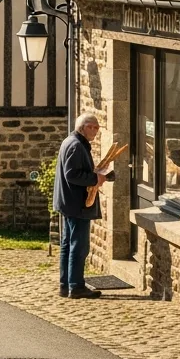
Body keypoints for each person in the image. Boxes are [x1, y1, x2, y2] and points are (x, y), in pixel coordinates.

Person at [52, 113, 112, 299]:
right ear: (83, 127)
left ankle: (66, 285)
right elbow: (72, 174)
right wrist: (95, 178)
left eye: (97, 127)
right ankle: (76, 286)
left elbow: (76, 171)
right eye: (92, 127)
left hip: (69, 202)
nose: (95, 130)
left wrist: (104, 175)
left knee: (68, 244)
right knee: (79, 246)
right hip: (77, 203)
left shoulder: (71, 142)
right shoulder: (76, 146)